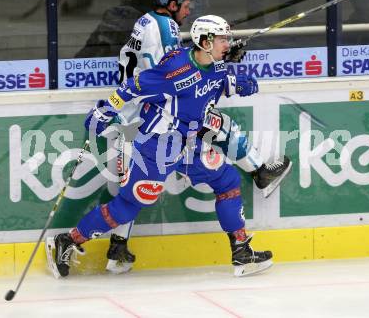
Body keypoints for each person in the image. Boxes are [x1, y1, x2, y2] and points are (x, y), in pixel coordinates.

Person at [46, 15, 290, 279]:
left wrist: (239, 84)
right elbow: (133, 86)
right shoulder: (175, 67)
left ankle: (242, 253)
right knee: (127, 207)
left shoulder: (217, 64)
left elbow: (214, 82)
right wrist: (104, 110)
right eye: (222, 39)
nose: (227, 44)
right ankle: (67, 241)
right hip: (156, 148)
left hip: (192, 143)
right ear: (205, 42)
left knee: (228, 181)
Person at [103, 0, 292, 275]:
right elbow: (174, 69)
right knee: (220, 125)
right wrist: (221, 64)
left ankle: (117, 245)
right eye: (186, 5)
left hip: (132, 115)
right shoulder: (166, 28)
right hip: (154, 114)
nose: (188, 11)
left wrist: (221, 56)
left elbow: (183, 66)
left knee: (137, 186)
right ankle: (259, 172)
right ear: (172, 2)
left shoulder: (146, 21)